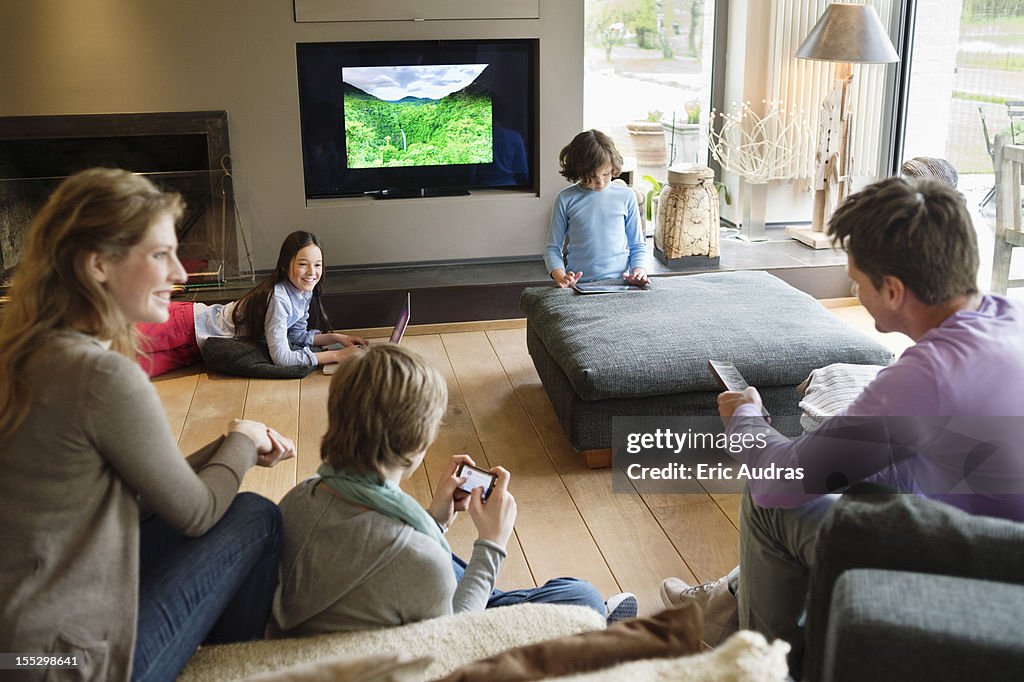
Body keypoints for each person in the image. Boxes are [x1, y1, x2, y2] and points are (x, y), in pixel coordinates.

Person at [660, 177, 1024, 670]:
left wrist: (746, 417)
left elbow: (781, 482)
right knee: (850, 472)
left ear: (893, 290)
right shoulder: (1007, 318)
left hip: (979, 566)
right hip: (995, 541)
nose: (855, 289)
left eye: (857, 280)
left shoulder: (928, 376)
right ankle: (725, 605)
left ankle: (762, 668)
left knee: (771, 497)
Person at [0, 168, 296, 682]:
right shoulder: (100, 375)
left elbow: (143, 490)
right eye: (160, 255)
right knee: (253, 516)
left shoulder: (26, 352)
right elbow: (198, 513)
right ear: (99, 265)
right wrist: (243, 442)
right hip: (71, 666)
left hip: (16, 654)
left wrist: (232, 443)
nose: (180, 273)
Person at [272, 344, 637, 634]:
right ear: (419, 442)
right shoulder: (414, 554)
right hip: (423, 638)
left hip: (380, 605)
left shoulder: (303, 495)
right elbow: (453, 637)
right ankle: (592, 623)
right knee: (581, 596)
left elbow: (379, 566)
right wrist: (492, 543)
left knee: (455, 564)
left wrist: (436, 520)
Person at [136, 230, 367, 377]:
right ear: (286, 265)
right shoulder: (279, 298)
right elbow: (282, 358)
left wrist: (337, 339)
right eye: (303, 264)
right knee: (109, 343)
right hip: (184, 324)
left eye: (318, 265)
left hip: (196, 348)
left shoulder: (302, 291)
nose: (312, 273)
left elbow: (297, 337)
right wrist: (335, 356)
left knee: (127, 372)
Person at [544, 129, 648, 288]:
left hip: (620, 283)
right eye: (591, 177)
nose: (600, 182)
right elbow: (552, 249)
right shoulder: (565, 199)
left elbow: (637, 245)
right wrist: (561, 277)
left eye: (606, 174)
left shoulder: (626, 196)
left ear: (613, 167)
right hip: (579, 285)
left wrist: (639, 270)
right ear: (578, 171)